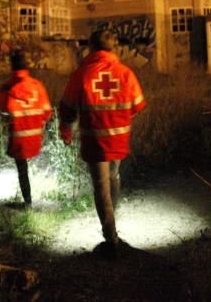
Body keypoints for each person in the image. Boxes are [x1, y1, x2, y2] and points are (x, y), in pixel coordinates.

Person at [59, 29, 146, 254]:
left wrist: (66, 129)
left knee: (101, 187)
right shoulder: (126, 73)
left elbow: (67, 107)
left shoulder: (82, 74)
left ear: (91, 47)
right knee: (113, 177)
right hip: (118, 139)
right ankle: (113, 222)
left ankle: (111, 240)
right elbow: (136, 106)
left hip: (94, 140)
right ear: (112, 47)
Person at [0, 49, 52, 209]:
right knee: (28, 165)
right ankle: (33, 196)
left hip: (18, 138)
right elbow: (47, 112)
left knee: (22, 169)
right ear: (26, 65)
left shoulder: (7, 88)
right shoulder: (38, 86)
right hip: (36, 137)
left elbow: (1, 110)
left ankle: (27, 202)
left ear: (11, 66)